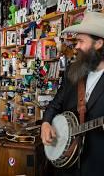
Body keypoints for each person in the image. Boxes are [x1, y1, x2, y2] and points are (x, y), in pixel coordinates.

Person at [41, 12, 104, 176]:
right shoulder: (73, 71)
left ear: (98, 44)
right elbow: (55, 104)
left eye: (81, 41)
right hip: (65, 168)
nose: (76, 47)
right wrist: (46, 123)